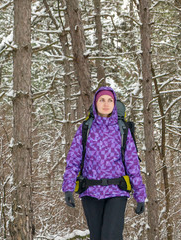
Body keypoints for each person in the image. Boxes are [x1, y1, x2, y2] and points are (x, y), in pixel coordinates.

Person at [62, 86, 146, 240]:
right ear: (95, 103)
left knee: (111, 236)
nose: (106, 104)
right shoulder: (85, 128)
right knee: (97, 237)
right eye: (102, 100)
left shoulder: (122, 130)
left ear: (114, 104)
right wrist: (68, 187)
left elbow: (132, 163)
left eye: (110, 100)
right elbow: (74, 159)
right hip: (90, 191)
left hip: (117, 190)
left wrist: (140, 195)